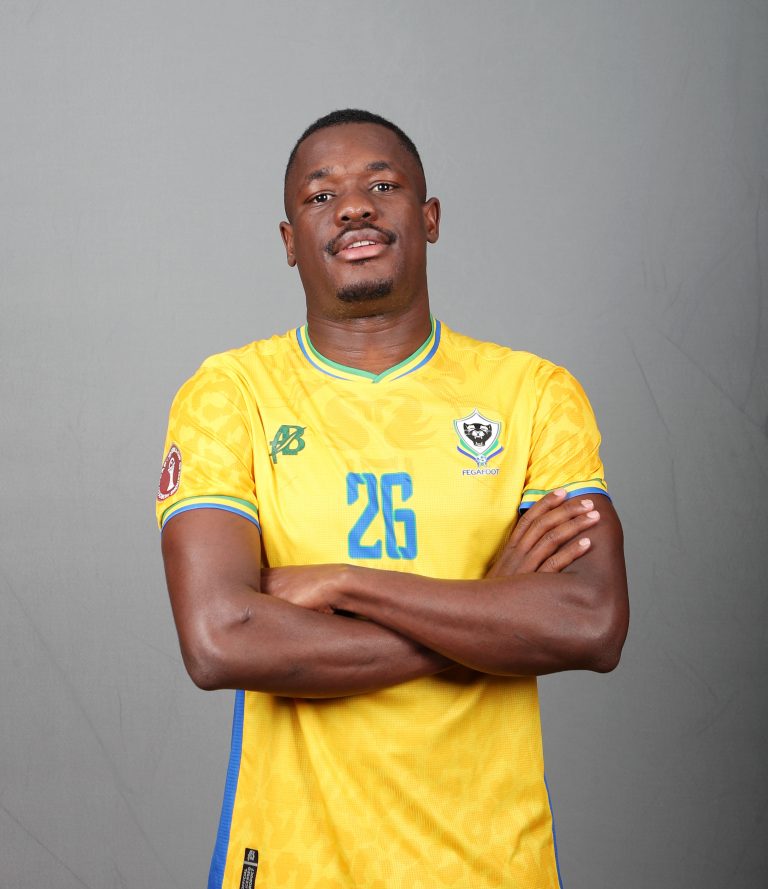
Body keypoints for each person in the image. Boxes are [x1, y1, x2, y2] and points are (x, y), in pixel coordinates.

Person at [156, 108, 628, 889]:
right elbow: (220, 638)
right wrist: (490, 609)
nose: (354, 206)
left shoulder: (534, 394)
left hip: (492, 866)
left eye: (383, 184)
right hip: (289, 866)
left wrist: (346, 583)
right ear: (288, 242)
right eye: (320, 196)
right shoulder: (230, 395)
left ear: (430, 218)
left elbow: (592, 622)